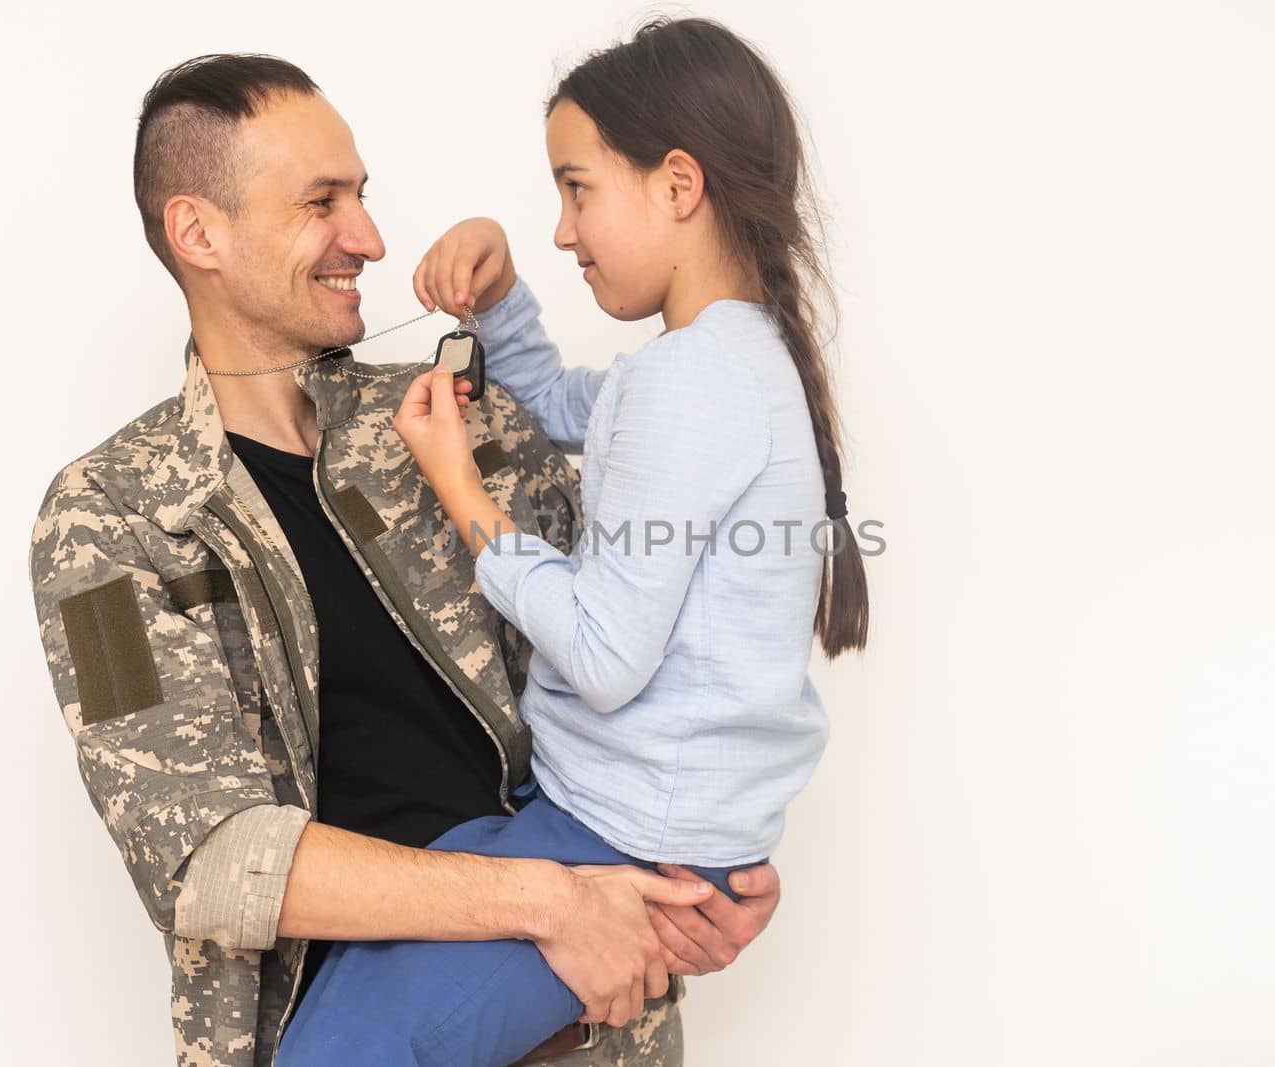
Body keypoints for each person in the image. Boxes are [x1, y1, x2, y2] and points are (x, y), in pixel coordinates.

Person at [26, 51, 784, 1067]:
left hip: (596, 1035)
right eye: (321, 202)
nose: (370, 240)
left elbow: (652, 607)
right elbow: (208, 855)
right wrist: (553, 898)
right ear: (197, 231)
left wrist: (704, 864)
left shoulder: (456, 426)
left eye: (363, 196)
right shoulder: (108, 519)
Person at [275, 16, 869, 1067]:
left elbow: (602, 656)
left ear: (677, 185)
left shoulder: (691, 381)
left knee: (342, 1046)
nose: (561, 228)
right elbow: (554, 398)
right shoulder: (728, 360)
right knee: (370, 965)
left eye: (577, 188)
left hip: (624, 836)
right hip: (639, 821)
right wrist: (498, 295)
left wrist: (460, 487)